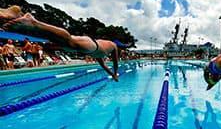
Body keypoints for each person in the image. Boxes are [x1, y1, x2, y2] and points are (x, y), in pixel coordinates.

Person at [4, 13, 132, 81]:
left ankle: (17, 17)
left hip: (89, 45)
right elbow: (115, 62)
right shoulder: (113, 46)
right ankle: (33, 21)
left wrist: (112, 74)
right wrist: (115, 73)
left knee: (56, 40)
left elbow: (103, 65)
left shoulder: (103, 52)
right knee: (68, 40)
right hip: (91, 45)